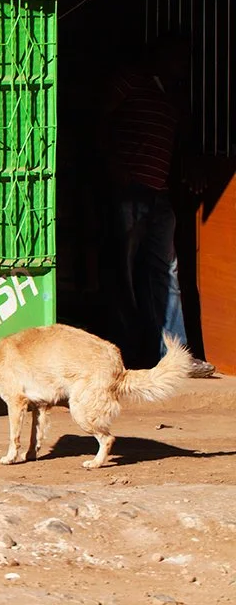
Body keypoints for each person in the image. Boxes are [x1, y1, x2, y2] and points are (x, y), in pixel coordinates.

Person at [101, 35, 215, 378]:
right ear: (159, 55)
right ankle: (122, 352)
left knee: (167, 273)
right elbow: (99, 122)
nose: (183, 66)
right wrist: (114, 167)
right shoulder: (129, 80)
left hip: (159, 192)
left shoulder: (174, 97)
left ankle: (175, 353)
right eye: (179, 57)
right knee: (123, 272)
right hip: (130, 190)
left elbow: (184, 140)